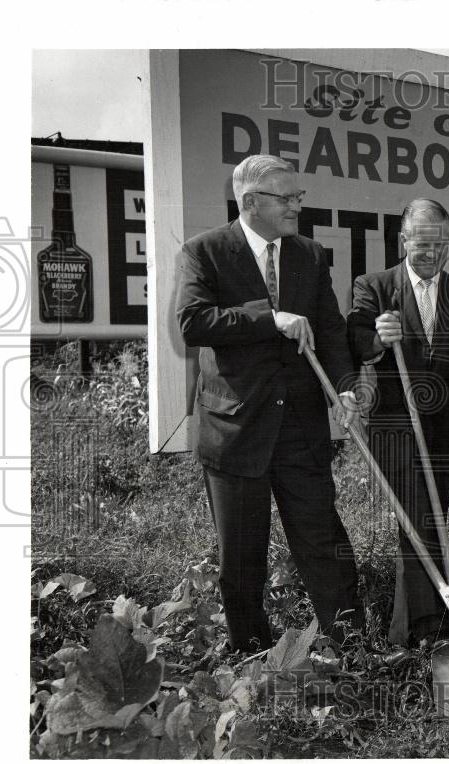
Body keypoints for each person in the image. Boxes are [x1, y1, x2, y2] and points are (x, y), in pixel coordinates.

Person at [176, 154, 363, 653]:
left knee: (325, 545)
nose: (297, 206)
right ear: (251, 201)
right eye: (287, 197)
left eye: (298, 196)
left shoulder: (309, 253)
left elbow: (330, 327)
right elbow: (193, 322)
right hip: (235, 431)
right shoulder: (205, 251)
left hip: (301, 429)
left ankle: (353, 649)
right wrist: (270, 319)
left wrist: (344, 386)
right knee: (240, 558)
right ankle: (250, 658)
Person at [347, 199, 449, 650]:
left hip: (445, 433)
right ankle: (427, 633)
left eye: (440, 244)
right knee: (419, 523)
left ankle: (405, 635)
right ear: (404, 241)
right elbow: (355, 338)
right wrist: (376, 339)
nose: (432, 253)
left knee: (429, 523)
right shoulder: (376, 286)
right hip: (395, 429)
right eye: (422, 244)